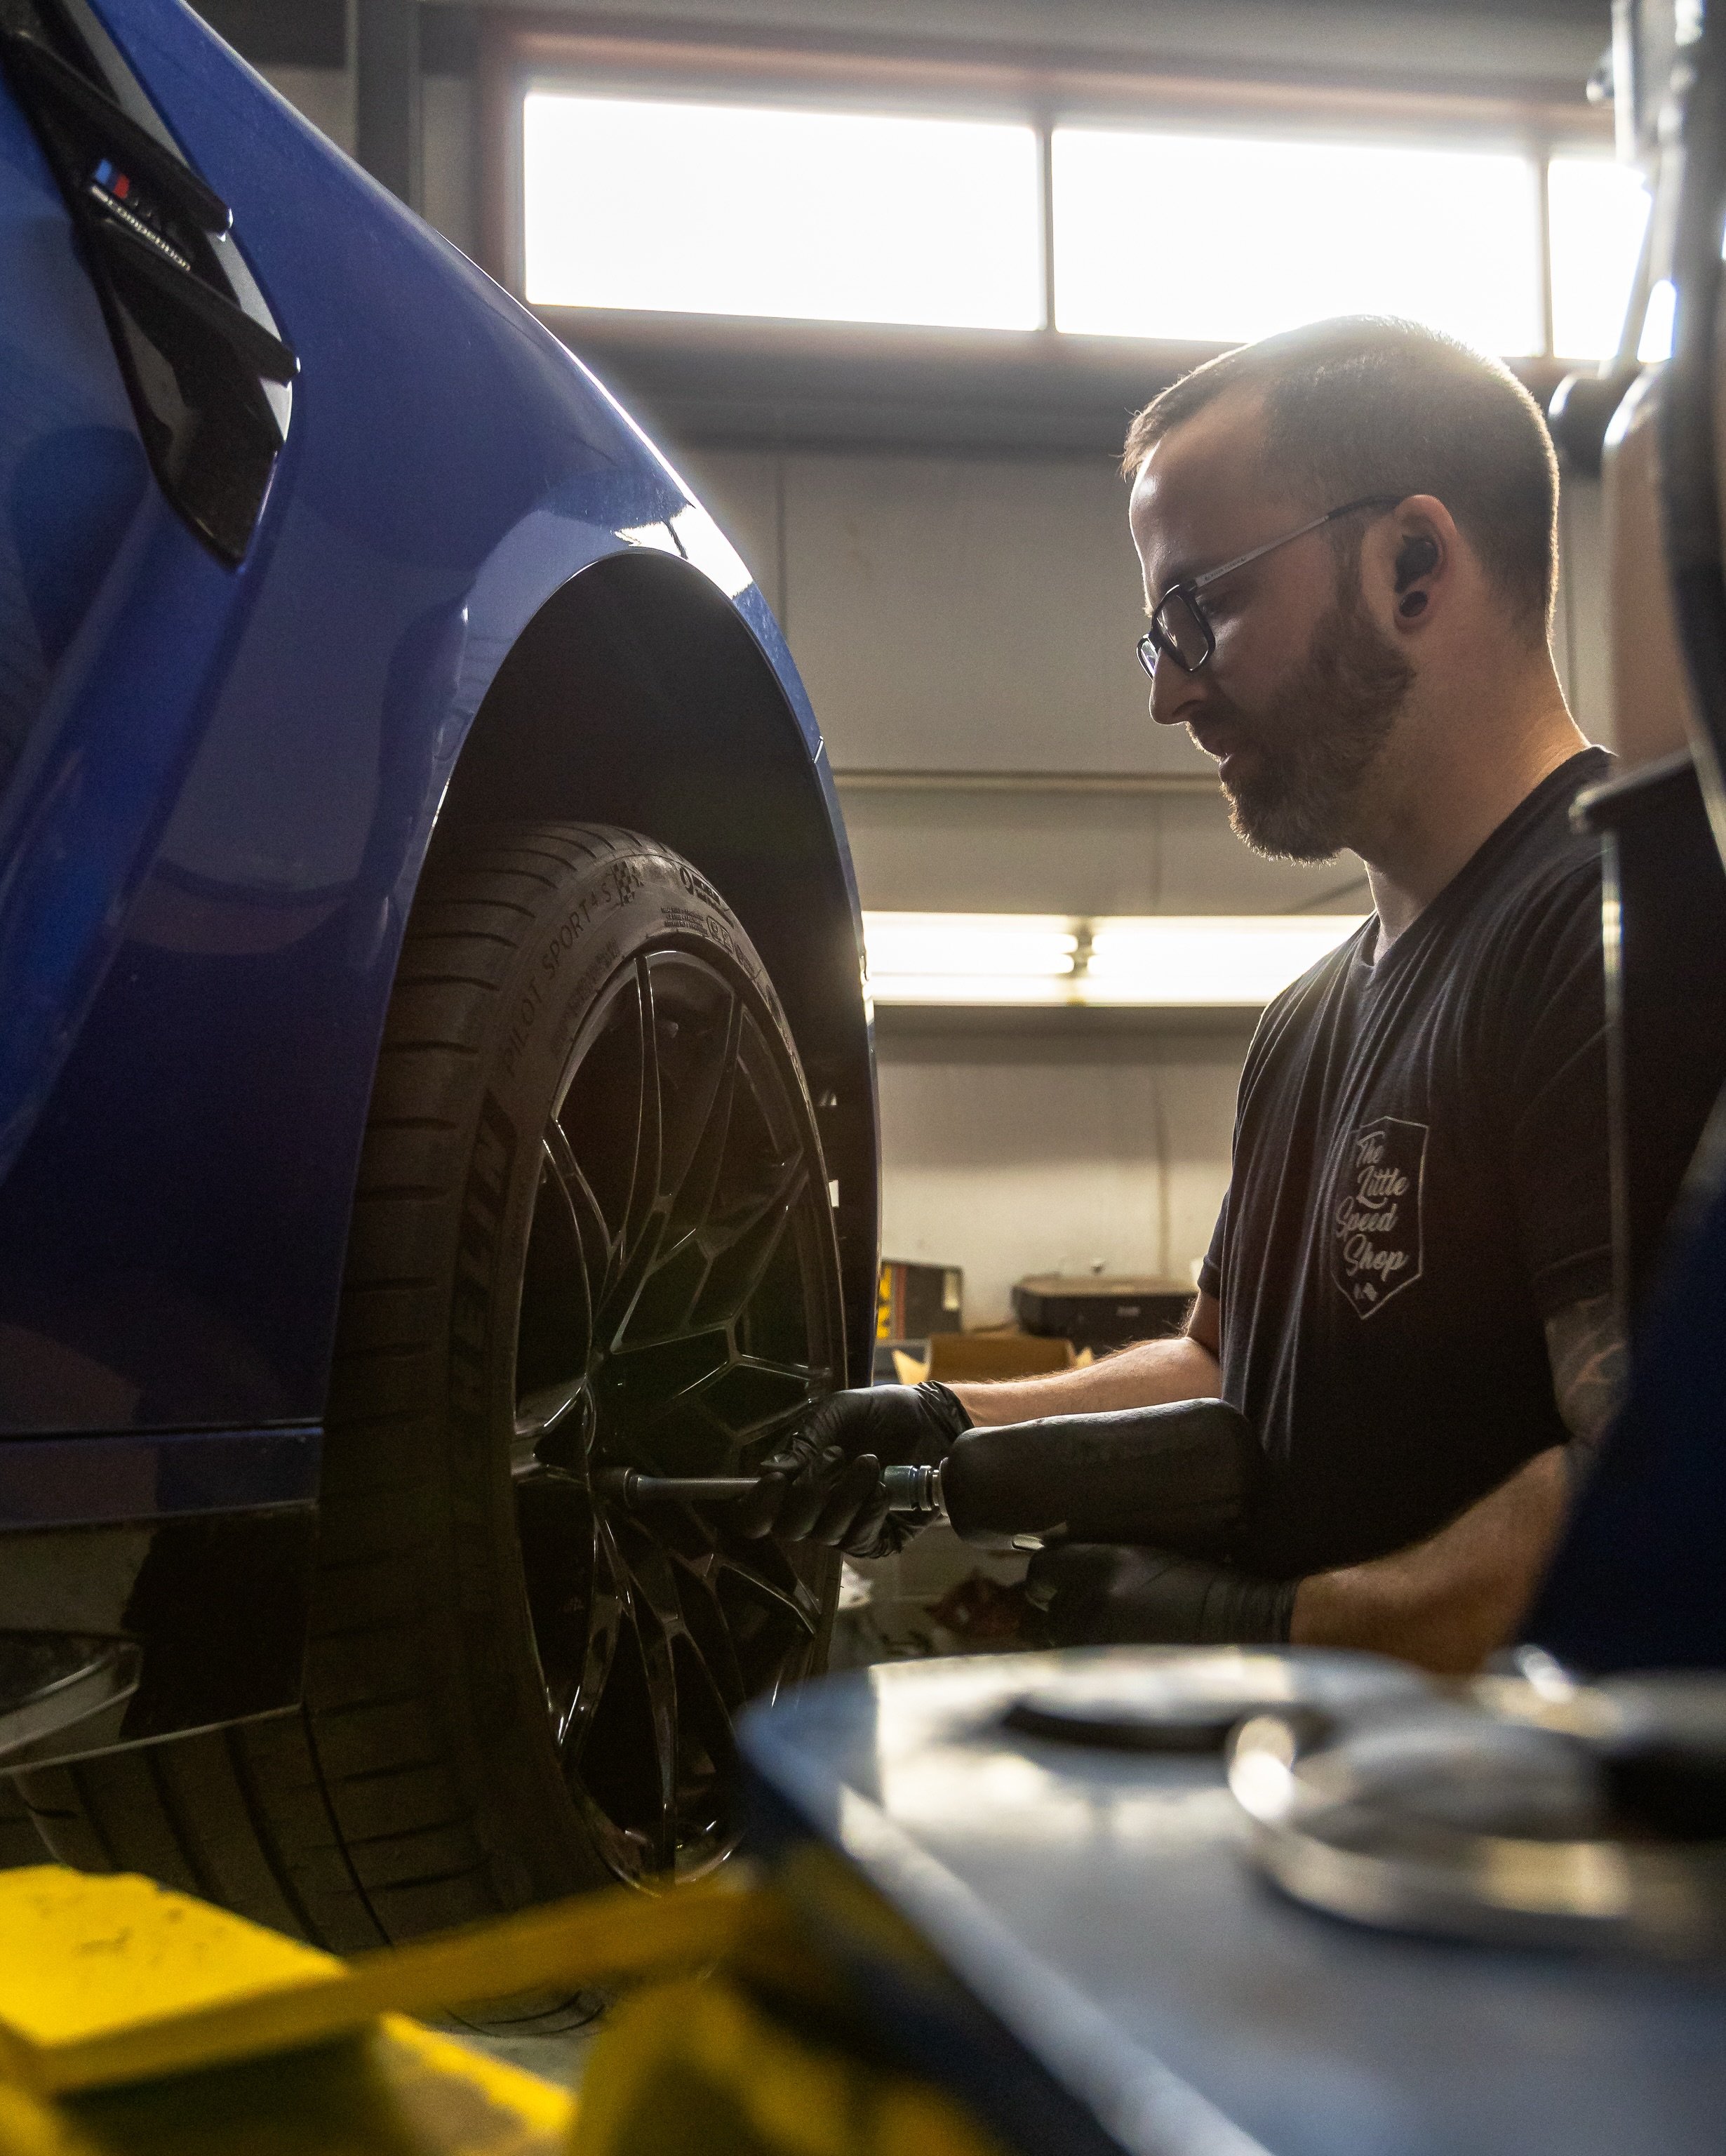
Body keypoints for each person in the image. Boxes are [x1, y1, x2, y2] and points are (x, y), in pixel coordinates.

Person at [740, 317, 1624, 1676]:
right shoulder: (1307, 1027)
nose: (1168, 694)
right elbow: (1226, 1374)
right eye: (1156, 632)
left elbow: (1658, 1486)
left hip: (1513, 1863)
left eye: (1197, 609)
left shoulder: (1623, 934)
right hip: (1311, 1829)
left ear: (1413, 566)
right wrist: (946, 1419)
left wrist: (1282, 1635)